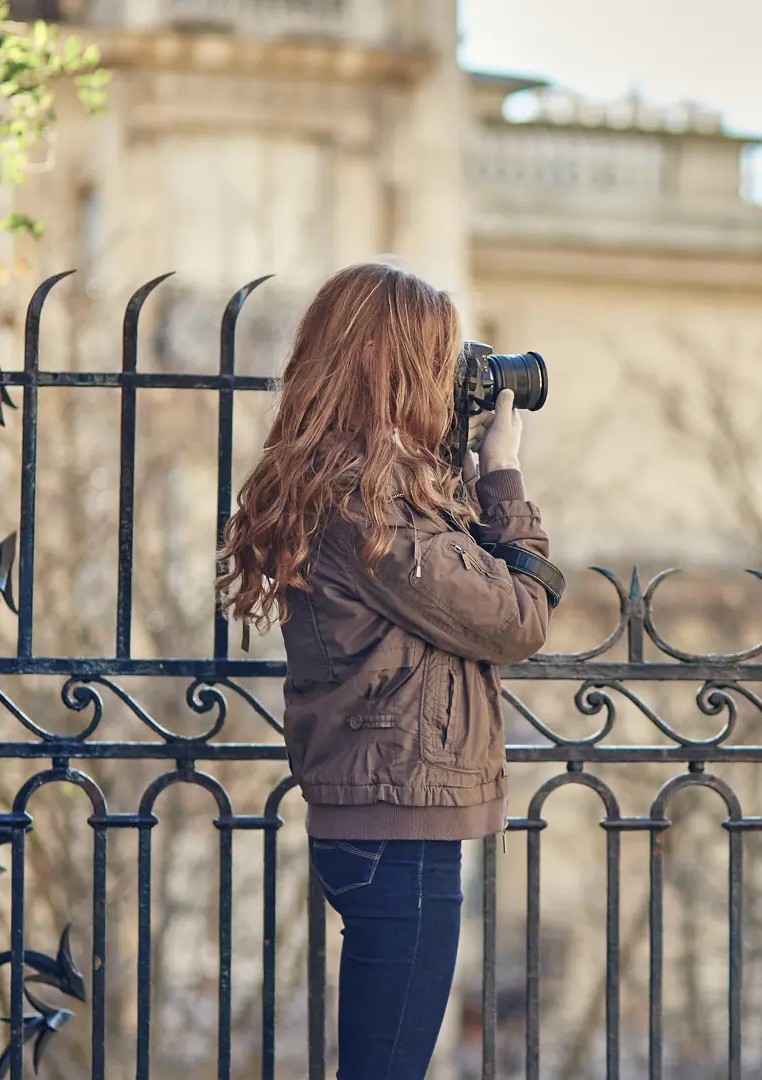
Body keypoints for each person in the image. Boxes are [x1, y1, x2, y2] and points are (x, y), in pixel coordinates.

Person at [218, 261, 552, 1080]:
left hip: (387, 818)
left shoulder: (367, 494)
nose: (451, 382)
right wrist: (503, 473)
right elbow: (519, 616)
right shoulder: (372, 513)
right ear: (395, 369)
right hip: (401, 828)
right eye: (436, 363)